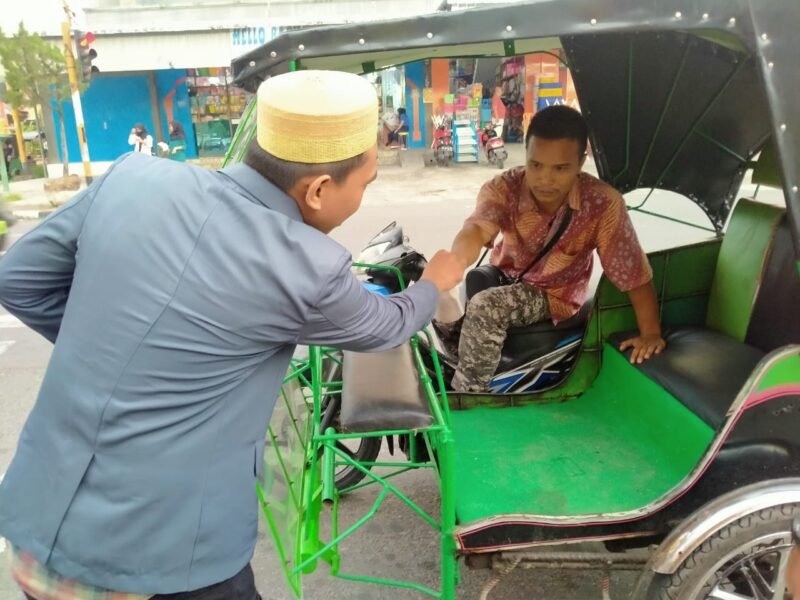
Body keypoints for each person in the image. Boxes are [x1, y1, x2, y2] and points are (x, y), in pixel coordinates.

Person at [0, 69, 463, 600]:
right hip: (164, 559)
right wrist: (434, 283)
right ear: (318, 190)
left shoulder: (131, 178)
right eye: (365, 183)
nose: (362, 196)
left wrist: (122, 352)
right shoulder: (304, 265)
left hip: (38, 529)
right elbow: (387, 325)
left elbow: (17, 280)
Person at [434, 105, 665, 392]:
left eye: (560, 168)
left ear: (580, 163)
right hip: (508, 275)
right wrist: (455, 262)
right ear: (526, 156)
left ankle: (469, 394)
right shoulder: (505, 188)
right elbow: (477, 229)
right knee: (443, 287)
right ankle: (466, 362)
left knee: (486, 306)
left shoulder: (602, 204)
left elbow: (633, 273)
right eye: (536, 165)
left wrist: (651, 333)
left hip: (555, 292)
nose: (545, 179)